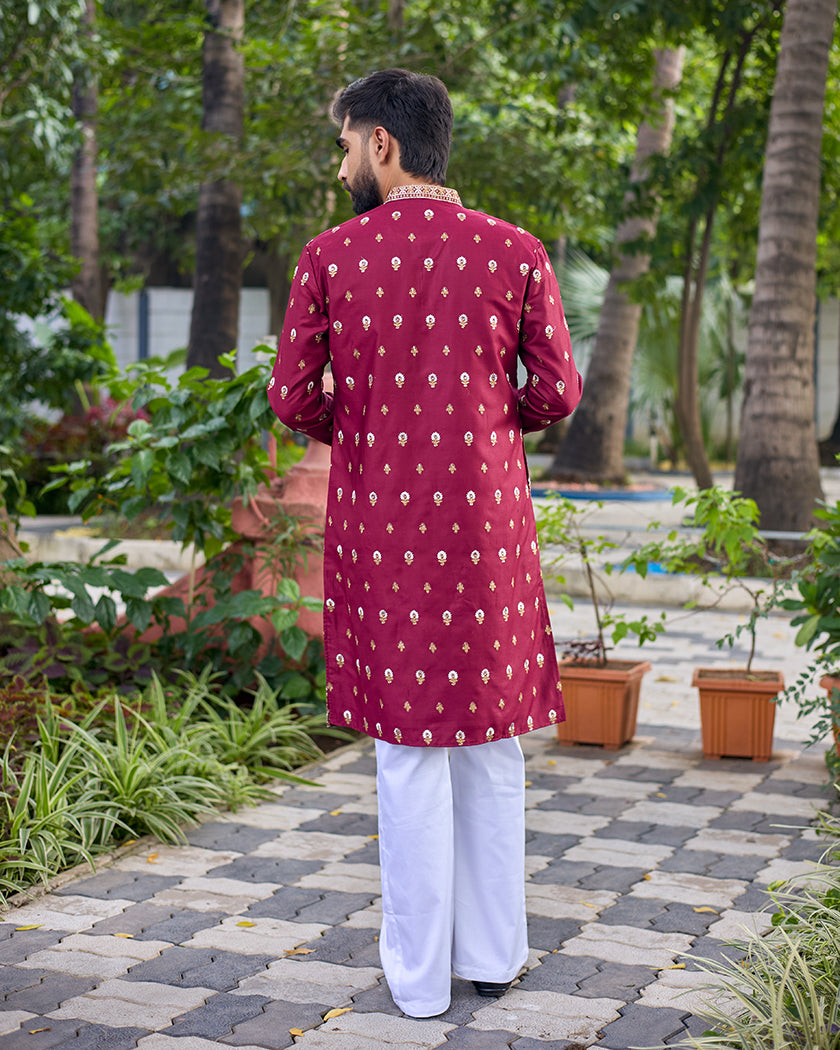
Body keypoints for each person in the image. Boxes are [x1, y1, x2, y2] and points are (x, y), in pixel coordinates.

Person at [268, 68, 582, 1018]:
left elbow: (290, 399)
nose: (341, 167)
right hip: (485, 530)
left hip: (383, 539)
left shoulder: (330, 258)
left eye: (344, 146)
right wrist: (486, 423)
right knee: (492, 747)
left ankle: (416, 988)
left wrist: (364, 426)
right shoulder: (515, 250)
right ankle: (494, 957)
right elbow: (558, 393)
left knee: (407, 757)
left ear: (381, 144)